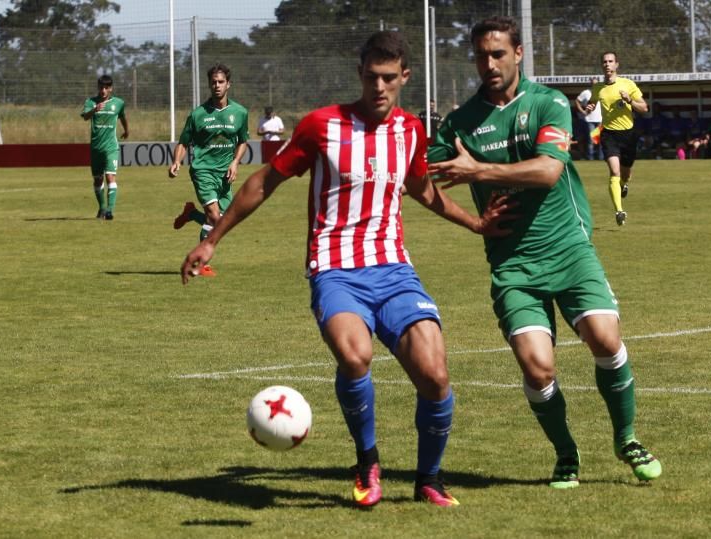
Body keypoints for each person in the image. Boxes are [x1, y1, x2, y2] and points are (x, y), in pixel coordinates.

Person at [182, 31, 513, 507]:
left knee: (435, 374)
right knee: (355, 357)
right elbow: (264, 181)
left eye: (389, 79)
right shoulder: (323, 125)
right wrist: (211, 240)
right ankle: (367, 462)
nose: (379, 87)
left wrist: (475, 223)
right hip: (334, 269)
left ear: (404, 78)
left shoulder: (411, 131)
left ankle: (429, 479)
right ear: (360, 75)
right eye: (372, 77)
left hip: (394, 269)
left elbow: (421, 189)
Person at [427, 16, 662, 489]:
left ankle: (627, 438)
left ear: (518, 54)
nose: (489, 63)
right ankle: (566, 453)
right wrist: (471, 219)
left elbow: (548, 172)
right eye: (480, 55)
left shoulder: (547, 102)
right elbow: (422, 178)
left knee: (605, 340)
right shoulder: (460, 122)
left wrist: (479, 172)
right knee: (538, 368)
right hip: (513, 264)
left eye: (498, 53)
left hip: (569, 248)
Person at [169, 63, 249, 277]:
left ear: (228, 84)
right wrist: (177, 161)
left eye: (221, 82)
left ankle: (191, 213)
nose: (217, 85)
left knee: (223, 221)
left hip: (226, 174)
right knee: (215, 218)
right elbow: (184, 142)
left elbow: (243, 141)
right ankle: (200, 265)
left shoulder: (240, 113)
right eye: (213, 82)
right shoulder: (198, 114)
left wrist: (235, 162)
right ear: (209, 85)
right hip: (203, 170)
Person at [584, 51, 648, 225]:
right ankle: (619, 211)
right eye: (604, 62)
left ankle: (623, 184)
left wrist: (630, 101)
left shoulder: (627, 84)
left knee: (625, 174)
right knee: (614, 171)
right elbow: (593, 101)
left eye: (610, 61)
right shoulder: (598, 88)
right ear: (602, 65)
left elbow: (644, 108)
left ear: (616, 65)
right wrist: (589, 107)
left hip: (628, 134)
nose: (607, 64)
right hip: (609, 134)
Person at [81, 74, 129, 220]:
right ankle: (102, 208)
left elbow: (122, 117)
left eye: (106, 88)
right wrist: (94, 109)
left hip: (111, 147)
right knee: (97, 180)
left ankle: (109, 211)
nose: (103, 90)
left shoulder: (118, 103)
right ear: (98, 88)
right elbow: (85, 117)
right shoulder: (91, 102)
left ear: (111, 89)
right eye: (101, 87)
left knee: (110, 177)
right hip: (96, 148)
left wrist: (127, 130)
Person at [575, 81, 603, 160]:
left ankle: (601, 158)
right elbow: (577, 101)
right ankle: (590, 159)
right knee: (591, 140)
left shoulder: (601, 92)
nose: (594, 85)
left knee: (600, 139)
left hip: (600, 119)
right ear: (591, 84)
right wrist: (582, 111)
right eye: (593, 83)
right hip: (589, 119)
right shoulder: (586, 92)